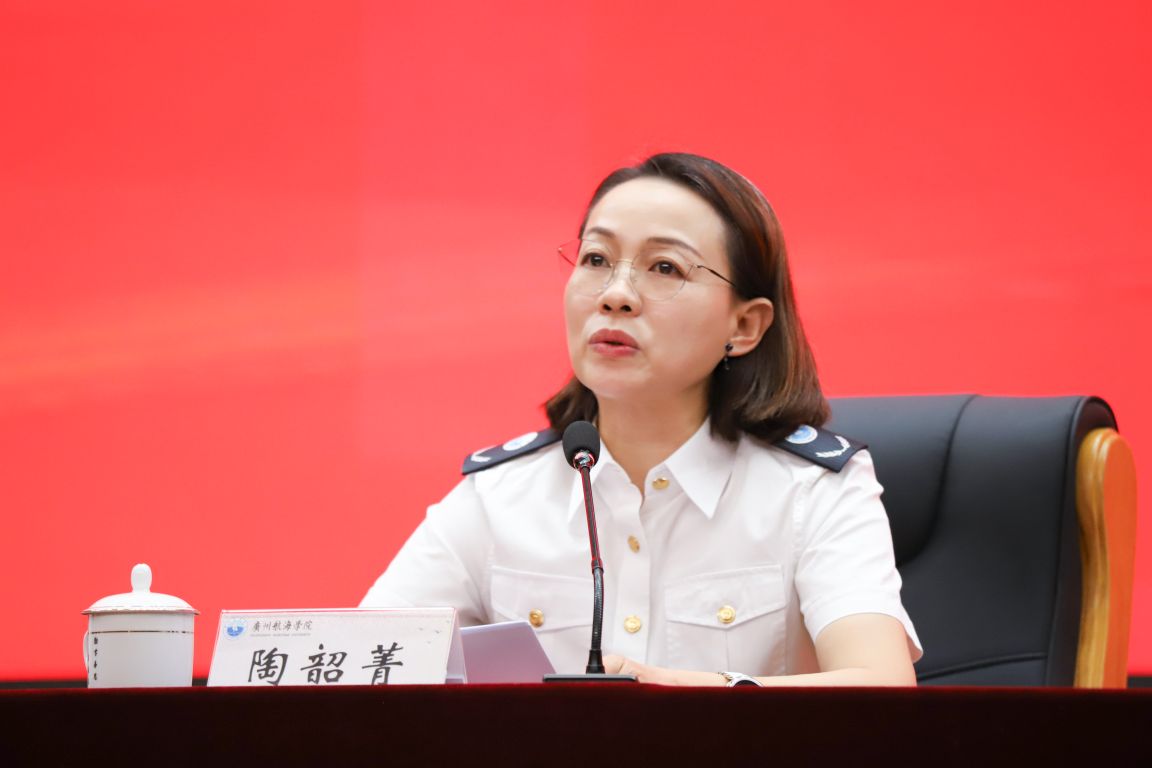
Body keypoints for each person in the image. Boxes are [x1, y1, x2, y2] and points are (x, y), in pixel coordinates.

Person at [362, 152, 922, 686]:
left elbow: (881, 684)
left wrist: (670, 693)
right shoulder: (498, 498)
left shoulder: (812, 492)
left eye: (665, 267)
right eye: (596, 260)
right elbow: (358, 668)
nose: (616, 295)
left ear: (744, 326)